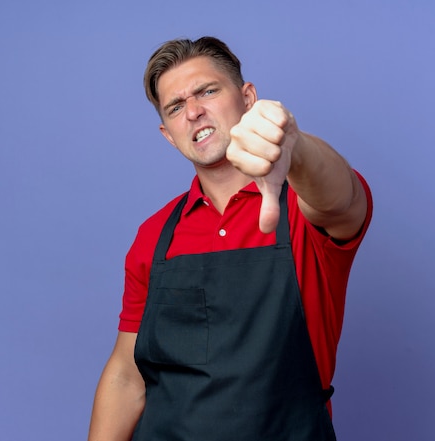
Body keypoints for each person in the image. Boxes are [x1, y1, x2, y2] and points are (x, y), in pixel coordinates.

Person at [87, 36, 372, 441]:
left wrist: (296, 145)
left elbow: (344, 201)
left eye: (207, 91)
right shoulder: (154, 236)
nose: (193, 111)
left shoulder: (304, 209)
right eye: (175, 106)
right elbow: (127, 376)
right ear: (168, 133)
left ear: (248, 98)